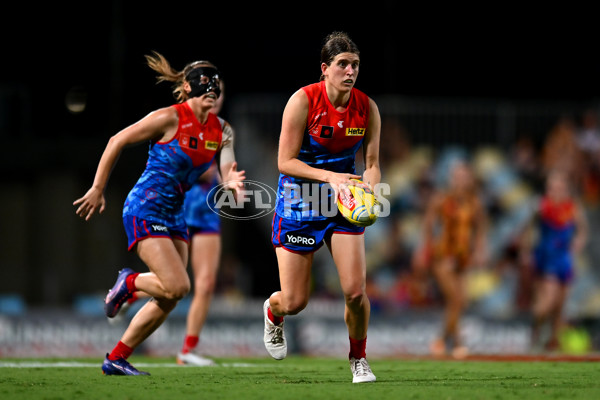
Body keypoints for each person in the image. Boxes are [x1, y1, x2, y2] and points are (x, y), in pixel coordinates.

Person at [73, 51, 245, 375]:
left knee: (170, 296)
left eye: (216, 87)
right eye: (207, 86)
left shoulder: (223, 130)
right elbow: (117, 140)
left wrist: (231, 180)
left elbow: (226, 167)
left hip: (175, 213)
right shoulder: (169, 118)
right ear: (190, 88)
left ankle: (117, 358)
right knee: (179, 286)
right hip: (145, 206)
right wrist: (98, 188)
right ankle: (130, 281)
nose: (213, 93)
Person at [263, 32, 380, 383]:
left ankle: (358, 359)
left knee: (356, 291)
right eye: (342, 64)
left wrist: (370, 189)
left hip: (342, 200)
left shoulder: (367, 107)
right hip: (300, 200)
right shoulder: (303, 101)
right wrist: (330, 177)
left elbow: (372, 162)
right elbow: (284, 161)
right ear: (324, 69)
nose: (350, 71)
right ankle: (273, 311)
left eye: (355, 64)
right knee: (296, 301)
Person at [416, 160, 487, 359]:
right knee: (457, 299)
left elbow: (481, 227)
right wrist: (425, 250)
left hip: (463, 258)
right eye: (456, 177)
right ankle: (448, 342)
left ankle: (449, 342)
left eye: (463, 177)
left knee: (458, 302)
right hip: (443, 256)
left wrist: (481, 249)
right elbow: (428, 225)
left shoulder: (474, 202)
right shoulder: (441, 199)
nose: (459, 181)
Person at [527, 169, 588, 352]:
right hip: (546, 257)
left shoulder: (573, 207)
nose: (556, 191)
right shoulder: (541, 206)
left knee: (560, 306)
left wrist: (578, 241)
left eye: (559, 187)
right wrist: (527, 250)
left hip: (564, 258)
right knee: (549, 301)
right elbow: (529, 229)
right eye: (552, 187)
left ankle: (552, 345)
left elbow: (583, 230)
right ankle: (536, 329)